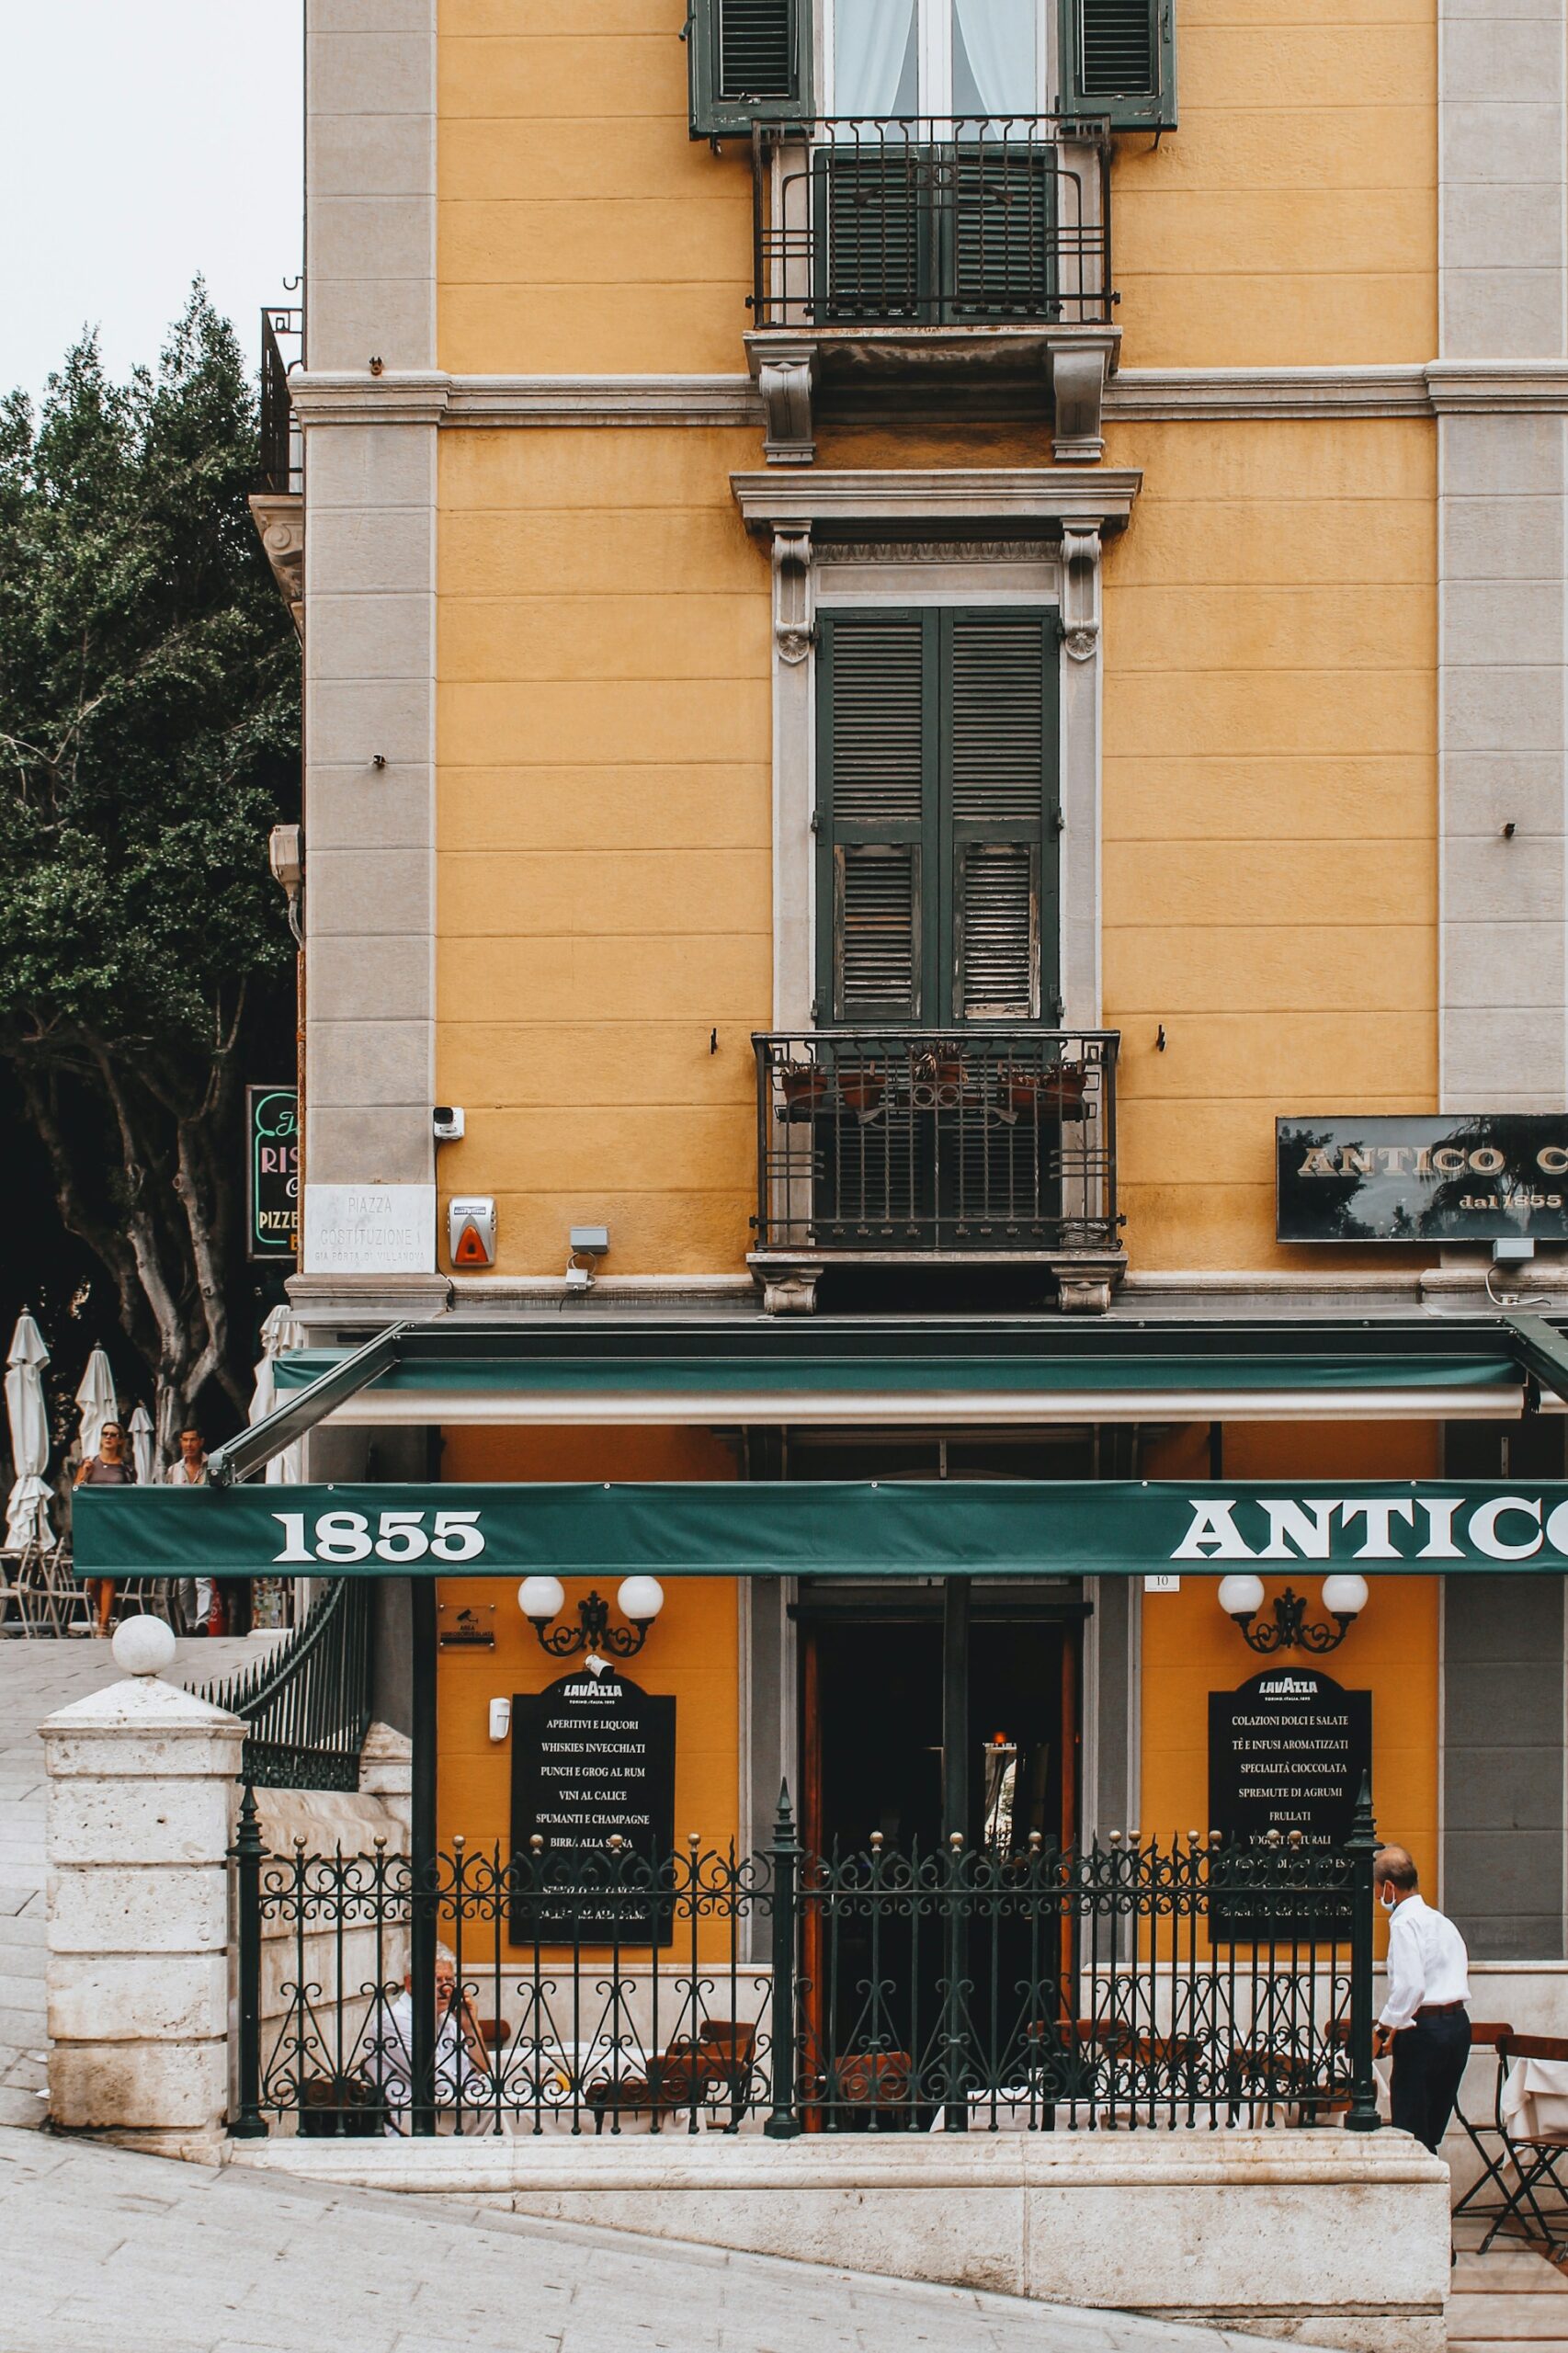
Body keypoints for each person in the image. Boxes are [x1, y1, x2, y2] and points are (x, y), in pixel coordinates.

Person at [1372, 1843, 1471, 2154]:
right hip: (1457, 2028)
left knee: (1411, 2130)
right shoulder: (1443, 1922)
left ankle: (1419, 2199)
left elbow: (1411, 1987)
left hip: (1425, 2034)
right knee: (1431, 2129)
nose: (1377, 1899)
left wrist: (1383, 2029)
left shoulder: (1403, 1924)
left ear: (1389, 1887)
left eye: (1377, 1891)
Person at [366, 1944, 492, 2133]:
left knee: (507, 2115)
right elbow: (437, 2082)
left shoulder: (446, 2021)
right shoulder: (395, 2020)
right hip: (410, 2120)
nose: (445, 1988)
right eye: (436, 1980)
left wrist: (470, 2027)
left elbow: (480, 2073)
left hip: (450, 2110)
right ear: (410, 1984)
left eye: (449, 1980)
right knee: (501, 2118)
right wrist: (475, 2088)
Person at [74, 1418, 135, 1635]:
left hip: (114, 1526)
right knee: (91, 1580)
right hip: (93, 1526)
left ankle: (102, 1626)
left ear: (119, 1440)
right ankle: (104, 1614)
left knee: (108, 1576)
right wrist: (84, 1473)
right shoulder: (90, 1463)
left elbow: (132, 1497)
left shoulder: (125, 1467)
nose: (108, 1437)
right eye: (105, 1434)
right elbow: (76, 1491)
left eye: (113, 1435)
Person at [165, 1426, 212, 1635]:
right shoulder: (174, 1470)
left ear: (201, 1441)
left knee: (203, 1578)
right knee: (184, 1582)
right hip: (181, 1530)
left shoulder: (212, 1466)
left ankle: (203, 1622)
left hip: (204, 1528)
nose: (189, 1445)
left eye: (193, 1440)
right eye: (185, 1440)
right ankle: (190, 1623)